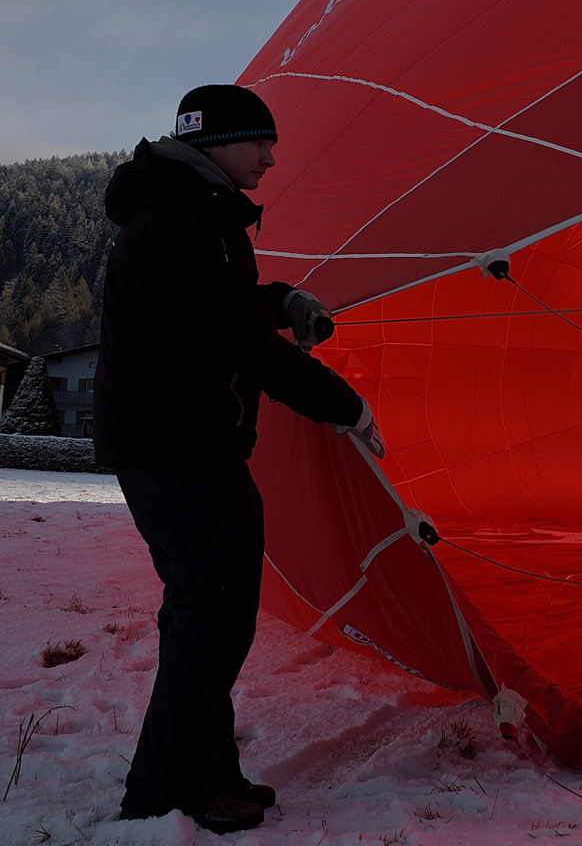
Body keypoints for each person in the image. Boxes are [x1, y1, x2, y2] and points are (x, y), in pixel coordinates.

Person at [94, 84, 383, 834]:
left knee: (204, 612)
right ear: (217, 143)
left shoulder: (180, 215)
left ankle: (206, 769)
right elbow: (241, 344)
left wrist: (281, 298)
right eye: (261, 142)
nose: (272, 156)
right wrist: (345, 405)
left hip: (173, 446)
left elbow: (217, 305)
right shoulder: (191, 219)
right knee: (211, 616)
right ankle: (169, 789)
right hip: (182, 448)